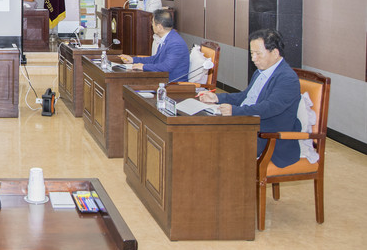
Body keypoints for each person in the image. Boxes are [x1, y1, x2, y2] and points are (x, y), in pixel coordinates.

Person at [198, 29, 301, 167]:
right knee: (202, 134)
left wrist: (235, 111)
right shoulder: (261, 72)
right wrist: (217, 98)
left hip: (267, 138)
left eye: (258, 54)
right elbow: (244, 97)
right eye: (252, 53)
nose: (253, 59)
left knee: (214, 142)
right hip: (248, 126)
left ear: (275, 53)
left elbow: (269, 107)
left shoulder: (287, 78)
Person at [118, 9, 188, 83]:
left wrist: (143, 67)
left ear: (159, 27)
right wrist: (133, 60)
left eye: (153, 23)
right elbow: (155, 59)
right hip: (162, 79)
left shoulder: (175, 43)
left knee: (129, 82)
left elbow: (167, 67)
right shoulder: (167, 38)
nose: (151, 25)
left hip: (173, 84)